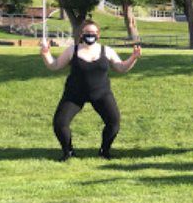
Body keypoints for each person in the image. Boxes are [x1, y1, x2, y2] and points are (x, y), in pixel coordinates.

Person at [40, 20, 141, 161]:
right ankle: (68, 152)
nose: (90, 35)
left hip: (101, 94)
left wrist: (133, 58)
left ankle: (104, 151)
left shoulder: (106, 50)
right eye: (87, 32)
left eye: (93, 33)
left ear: (98, 34)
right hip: (74, 95)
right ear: (81, 34)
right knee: (60, 123)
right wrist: (45, 54)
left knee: (114, 121)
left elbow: (121, 68)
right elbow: (55, 65)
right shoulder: (72, 50)